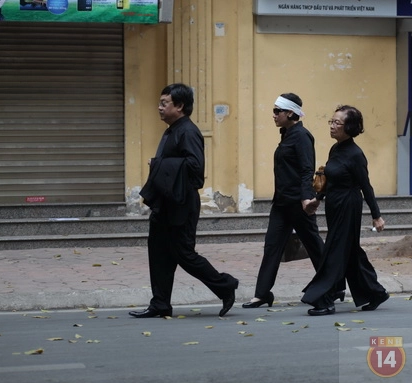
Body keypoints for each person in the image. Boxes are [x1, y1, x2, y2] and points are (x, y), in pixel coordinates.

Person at [130, 83, 239, 318]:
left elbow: (196, 169)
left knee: (184, 254)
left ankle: (225, 286)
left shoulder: (188, 131)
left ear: (179, 106)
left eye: (164, 103)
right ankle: (160, 304)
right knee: (158, 252)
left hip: (182, 205)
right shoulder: (173, 129)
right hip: (166, 204)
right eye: (160, 103)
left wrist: (158, 165)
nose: (159, 108)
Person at [242, 93, 337, 308]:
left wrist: (306, 198)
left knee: (314, 246)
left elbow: (306, 170)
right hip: (282, 203)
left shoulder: (302, 136)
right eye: (274, 110)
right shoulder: (287, 134)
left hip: (297, 203)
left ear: (290, 113)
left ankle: (333, 285)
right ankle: (262, 293)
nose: (274, 115)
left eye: (278, 111)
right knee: (272, 246)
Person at [301, 105, 389, 316]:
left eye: (337, 123)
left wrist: (376, 216)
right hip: (334, 204)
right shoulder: (336, 149)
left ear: (349, 127)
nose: (331, 126)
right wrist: (318, 199)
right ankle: (375, 293)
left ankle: (325, 298)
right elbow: (329, 179)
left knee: (334, 251)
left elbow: (366, 186)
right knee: (349, 252)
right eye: (331, 122)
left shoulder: (356, 154)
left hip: (349, 206)